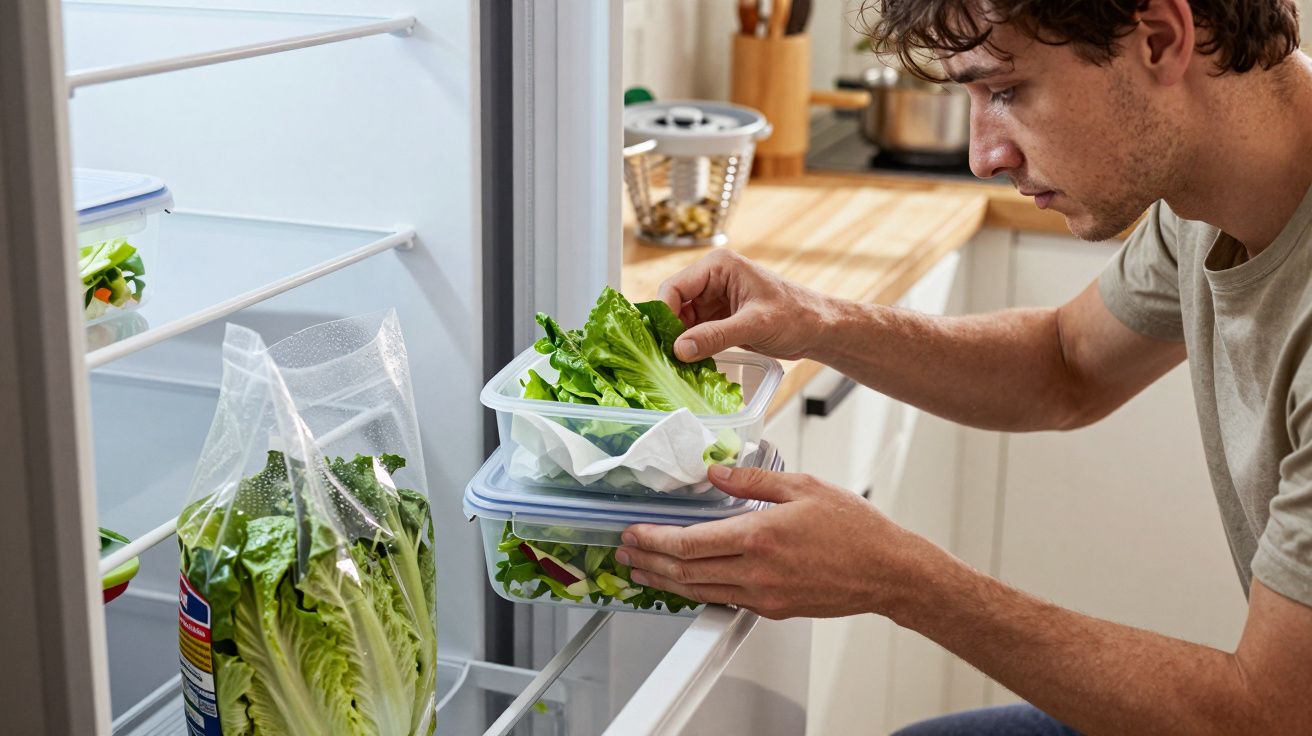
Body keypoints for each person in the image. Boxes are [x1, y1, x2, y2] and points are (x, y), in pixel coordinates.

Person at [614, 1, 1312, 733]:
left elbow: (1267, 716)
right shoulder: (1210, 195)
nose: (984, 156)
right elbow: (1064, 364)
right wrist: (815, 321)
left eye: (1005, 90)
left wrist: (898, 577)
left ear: (1162, 38)